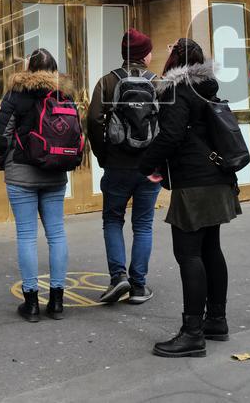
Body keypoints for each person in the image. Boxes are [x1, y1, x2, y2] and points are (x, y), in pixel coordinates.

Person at [137, 38, 241, 358]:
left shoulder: (178, 90)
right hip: (219, 178)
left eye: (169, 53)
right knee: (211, 248)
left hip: (194, 183)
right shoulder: (206, 88)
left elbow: (170, 134)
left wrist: (145, 164)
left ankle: (192, 332)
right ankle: (216, 321)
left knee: (188, 254)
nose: (165, 57)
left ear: (177, 61)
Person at [0, 48, 72, 323]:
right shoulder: (64, 94)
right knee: (57, 235)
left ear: (29, 69)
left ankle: (32, 303)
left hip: (21, 174)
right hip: (55, 173)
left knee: (26, 236)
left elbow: (0, 133)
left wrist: (4, 161)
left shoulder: (16, 94)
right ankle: (58, 302)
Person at [88, 27, 162, 304]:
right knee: (143, 225)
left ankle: (118, 277)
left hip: (117, 164)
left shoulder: (107, 82)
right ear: (144, 55)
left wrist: (102, 155)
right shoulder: (158, 83)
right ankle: (139, 286)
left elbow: (94, 120)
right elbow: (168, 125)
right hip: (149, 168)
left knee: (112, 220)